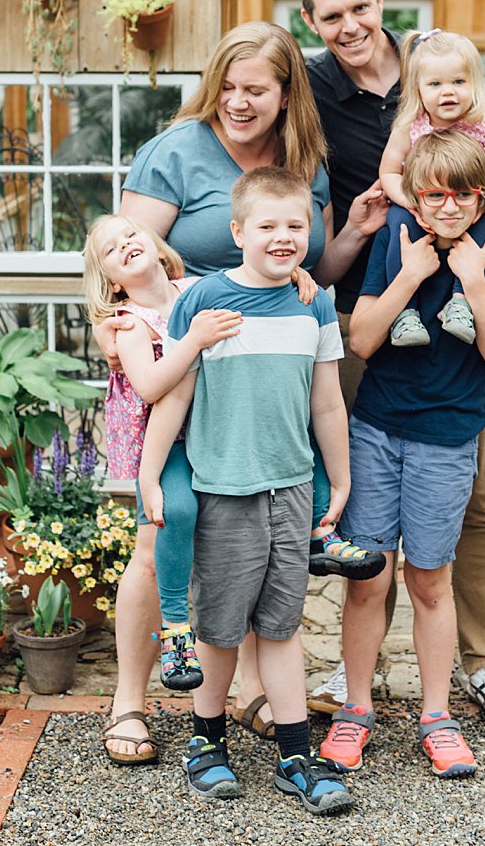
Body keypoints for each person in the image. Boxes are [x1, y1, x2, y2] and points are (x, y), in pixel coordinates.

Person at [97, 22, 385, 761]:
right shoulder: (175, 152)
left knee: (254, 537)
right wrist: (118, 334)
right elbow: (120, 258)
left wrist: (350, 233)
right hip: (176, 372)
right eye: (226, 86)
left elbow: (314, 261)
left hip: (257, 381)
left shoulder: (303, 162)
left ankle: (252, 684)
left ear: (287, 92)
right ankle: (131, 698)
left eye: (255, 89)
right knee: (163, 528)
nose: (237, 101)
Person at [299, 0, 485, 731]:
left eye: (359, 9)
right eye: (331, 17)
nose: (349, 26)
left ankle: (484, 660)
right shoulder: (313, 88)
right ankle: (358, 669)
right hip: (383, 292)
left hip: (469, 313)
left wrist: (484, 240)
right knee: (371, 508)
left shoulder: (439, 72)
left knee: (482, 491)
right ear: (312, 22)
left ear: (378, 2)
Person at [134, 167, 355, 814]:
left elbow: (328, 404)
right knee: (221, 630)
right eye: (268, 225)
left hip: (289, 490)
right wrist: (149, 475)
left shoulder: (313, 302)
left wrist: (337, 477)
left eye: (296, 225)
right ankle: (206, 743)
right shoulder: (203, 303)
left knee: (283, 627)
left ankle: (295, 756)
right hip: (224, 489)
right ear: (238, 231)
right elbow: (172, 398)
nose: (283, 236)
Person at [319, 131, 485, 779]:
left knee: (430, 579)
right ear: (416, 193)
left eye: (462, 194)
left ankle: (436, 715)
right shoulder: (396, 240)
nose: (448, 206)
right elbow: (363, 338)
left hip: (447, 435)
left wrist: (472, 280)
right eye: (434, 193)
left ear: (481, 195)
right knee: (369, 576)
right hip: (378, 428)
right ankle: (356, 707)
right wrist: (411, 272)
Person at [85, 215, 240, 759]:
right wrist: (194, 337)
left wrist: (300, 280)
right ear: (107, 279)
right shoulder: (127, 323)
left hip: (223, 436)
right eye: (110, 248)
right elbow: (150, 388)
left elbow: (256, 289)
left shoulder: (198, 288)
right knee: (156, 543)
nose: (125, 243)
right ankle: (131, 699)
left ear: (156, 245)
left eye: (131, 234)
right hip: (166, 446)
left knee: (238, 546)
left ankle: (250, 691)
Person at [377, 27, 485, 347]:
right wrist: (411, 204)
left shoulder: (484, 125)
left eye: (459, 82)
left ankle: (460, 302)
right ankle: (406, 311)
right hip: (422, 207)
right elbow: (388, 172)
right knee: (397, 225)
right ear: (418, 88)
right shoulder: (410, 126)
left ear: (475, 84)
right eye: (435, 84)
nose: (448, 92)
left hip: (470, 207)